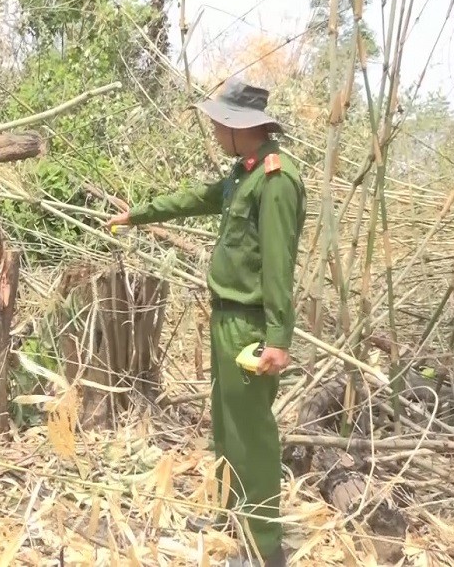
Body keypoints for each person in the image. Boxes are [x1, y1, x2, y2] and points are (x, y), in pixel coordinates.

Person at [106, 78, 305, 567]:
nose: (215, 130)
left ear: (243, 128)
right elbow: (197, 197)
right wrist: (139, 214)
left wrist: (279, 338)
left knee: (251, 432)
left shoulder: (276, 181)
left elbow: (279, 267)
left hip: (250, 326)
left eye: (220, 123)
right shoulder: (245, 173)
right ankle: (228, 518)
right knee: (225, 425)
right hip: (225, 319)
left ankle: (263, 546)